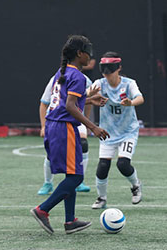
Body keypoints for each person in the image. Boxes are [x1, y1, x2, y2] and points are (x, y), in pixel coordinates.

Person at [30, 35, 109, 235]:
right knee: (76, 177)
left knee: (71, 174)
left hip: (54, 125)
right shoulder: (79, 77)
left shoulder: (63, 72)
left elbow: (66, 102)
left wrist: (90, 99)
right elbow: (70, 106)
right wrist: (93, 127)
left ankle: (70, 221)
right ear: (80, 54)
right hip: (63, 128)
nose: (90, 56)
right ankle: (43, 209)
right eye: (87, 51)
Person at [90, 51, 144, 209]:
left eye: (111, 70)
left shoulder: (129, 83)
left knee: (123, 164)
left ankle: (136, 186)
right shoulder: (100, 83)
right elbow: (86, 95)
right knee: (102, 167)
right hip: (108, 133)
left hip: (128, 132)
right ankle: (101, 198)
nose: (107, 75)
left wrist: (131, 103)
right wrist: (91, 95)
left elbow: (140, 98)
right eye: (104, 70)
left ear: (119, 68)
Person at [37, 73, 93, 195]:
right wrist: (43, 126)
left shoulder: (84, 79)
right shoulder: (56, 78)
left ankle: (79, 181)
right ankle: (48, 183)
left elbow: (87, 102)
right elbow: (44, 103)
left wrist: (86, 122)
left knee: (83, 144)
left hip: (75, 119)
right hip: (58, 119)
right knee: (52, 152)